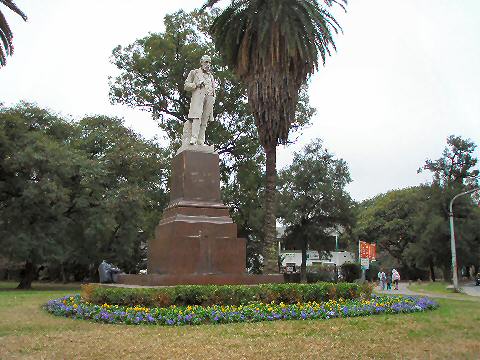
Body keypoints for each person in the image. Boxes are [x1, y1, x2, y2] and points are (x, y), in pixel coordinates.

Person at [182, 54, 216, 147]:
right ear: (201, 62)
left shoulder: (211, 76)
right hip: (199, 98)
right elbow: (186, 86)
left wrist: (213, 97)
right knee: (197, 117)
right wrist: (196, 84)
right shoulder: (195, 72)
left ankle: (201, 141)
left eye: (209, 62)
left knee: (204, 120)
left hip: (209, 98)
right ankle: (194, 138)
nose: (208, 64)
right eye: (206, 62)